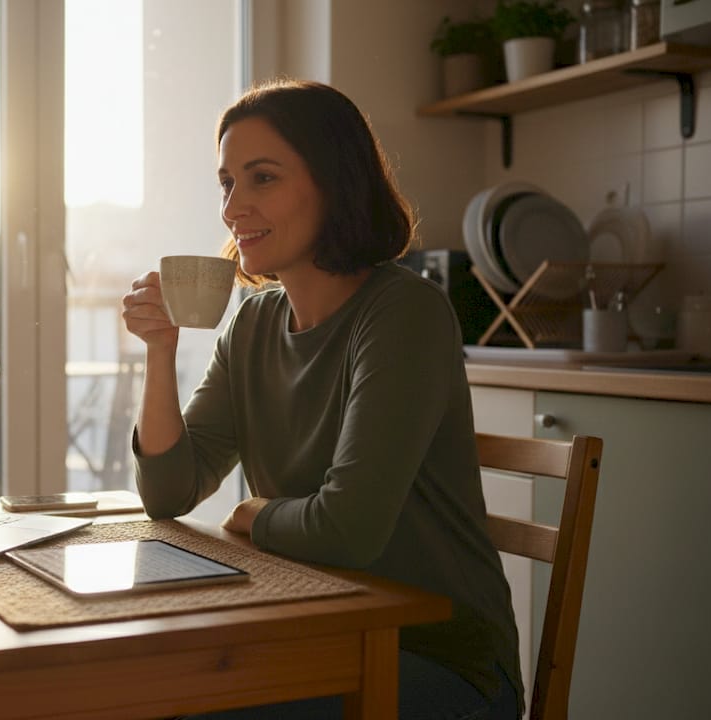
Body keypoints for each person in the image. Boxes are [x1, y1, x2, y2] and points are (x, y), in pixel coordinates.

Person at [121, 79, 523, 720]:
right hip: (315, 628)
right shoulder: (252, 323)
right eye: (227, 183)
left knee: (179, 703)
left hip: (438, 661)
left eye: (262, 178)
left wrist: (254, 513)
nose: (232, 208)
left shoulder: (403, 313)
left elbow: (348, 530)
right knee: (142, 683)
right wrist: (160, 351)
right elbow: (169, 493)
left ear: (336, 183)